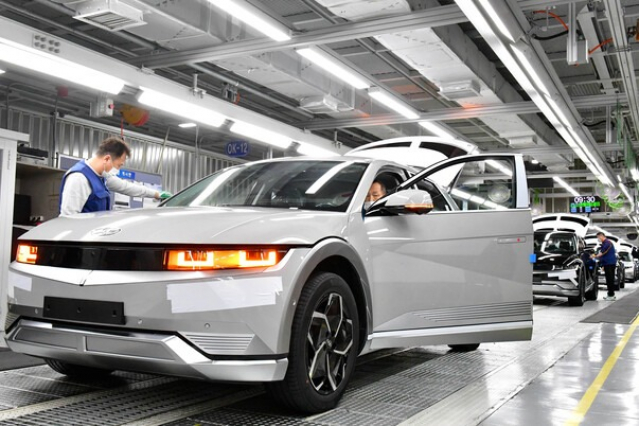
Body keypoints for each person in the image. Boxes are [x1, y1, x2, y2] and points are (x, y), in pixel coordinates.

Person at [59, 137, 171, 215]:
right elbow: (68, 218)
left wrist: (156, 194)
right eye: (119, 165)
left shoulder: (102, 177)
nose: (118, 170)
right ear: (107, 159)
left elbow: (127, 187)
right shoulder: (80, 178)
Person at [592, 232, 617, 301]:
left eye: (598, 237)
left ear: (601, 236)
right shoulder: (605, 243)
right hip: (608, 263)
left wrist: (594, 256)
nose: (598, 239)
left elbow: (603, 252)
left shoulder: (607, 242)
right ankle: (610, 294)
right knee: (609, 279)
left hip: (609, 263)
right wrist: (603, 265)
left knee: (609, 280)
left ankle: (611, 295)